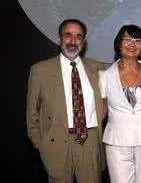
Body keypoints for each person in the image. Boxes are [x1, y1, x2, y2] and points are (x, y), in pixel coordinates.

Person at [26, 19, 105, 183]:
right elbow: (32, 112)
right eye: (68, 36)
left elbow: (105, 103)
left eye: (78, 37)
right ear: (59, 38)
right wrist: (41, 144)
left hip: (88, 140)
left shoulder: (97, 68)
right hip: (56, 142)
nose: (72, 41)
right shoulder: (40, 70)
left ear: (83, 42)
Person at [99, 24, 141, 183]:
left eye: (138, 40)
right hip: (117, 141)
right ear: (118, 43)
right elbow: (101, 111)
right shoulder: (105, 77)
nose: (132, 44)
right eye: (127, 39)